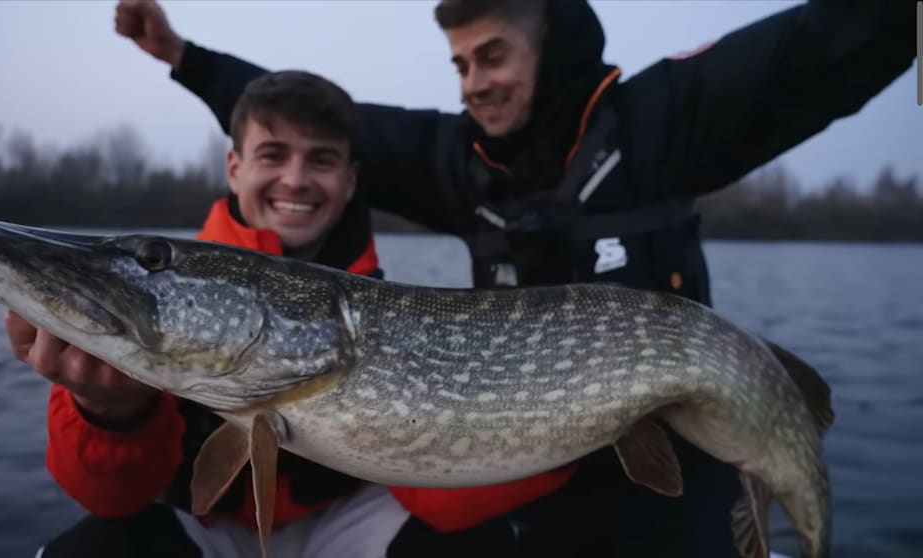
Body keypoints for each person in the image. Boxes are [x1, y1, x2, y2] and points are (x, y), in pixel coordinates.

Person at [103, 0, 916, 556]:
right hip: (531, 464)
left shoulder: (664, 118)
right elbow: (320, 129)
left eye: (492, 55)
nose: (473, 82)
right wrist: (184, 57)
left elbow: (805, 55)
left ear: (549, 42)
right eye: (459, 64)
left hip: (678, 464)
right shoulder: (461, 159)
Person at [13, 69, 414, 558]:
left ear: (350, 181)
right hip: (207, 528)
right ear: (235, 168)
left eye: (322, 160)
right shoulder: (172, 298)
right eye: (272, 155)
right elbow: (110, 498)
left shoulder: (393, 304)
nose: (295, 179)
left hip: (350, 523)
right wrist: (110, 412)